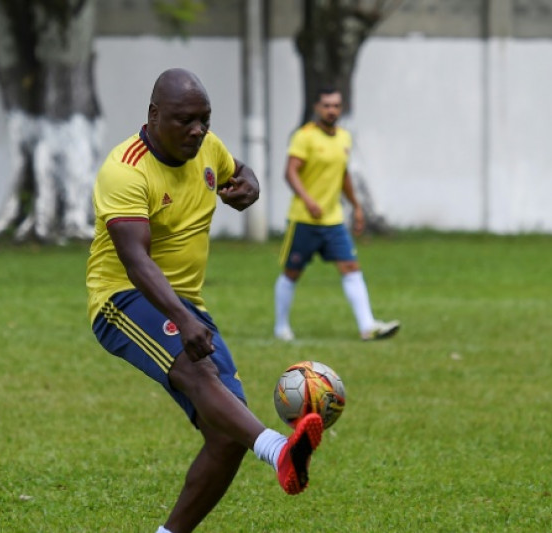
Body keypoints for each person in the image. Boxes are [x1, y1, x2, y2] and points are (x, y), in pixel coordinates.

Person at [86, 68, 324, 533]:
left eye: (205, 120)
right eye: (185, 120)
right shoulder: (125, 170)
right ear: (154, 115)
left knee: (228, 436)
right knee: (198, 374)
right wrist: (182, 318)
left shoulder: (207, 148)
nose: (197, 131)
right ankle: (280, 451)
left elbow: (238, 169)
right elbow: (136, 262)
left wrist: (250, 183)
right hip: (124, 299)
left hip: (186, 304)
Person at [274, 87, 400, 342]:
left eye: (336, 106)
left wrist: (356, 206)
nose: (331, 110)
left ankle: (367, 327)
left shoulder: (344, 137)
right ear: (317, 108)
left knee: (351, 266)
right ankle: (281, 327)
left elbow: (343, 175)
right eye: (326, 105)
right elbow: (290, 172)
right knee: (292, 272)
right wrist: (308, 200)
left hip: (333, 219)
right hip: (305, 219)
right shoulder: (304, 137)